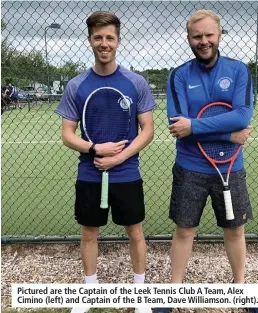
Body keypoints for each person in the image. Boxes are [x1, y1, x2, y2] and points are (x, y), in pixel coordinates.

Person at [153, 10, 258, 313]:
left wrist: (196, 125)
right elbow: (179, 127)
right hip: (191, 167)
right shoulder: (178, 75)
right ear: (189, 38)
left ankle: (240, 291)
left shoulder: (239, 71)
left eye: (208, 35)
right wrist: (229, 135)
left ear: (219, 35)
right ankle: (173, 295)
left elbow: (243, 115)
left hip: (231, 167)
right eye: (196, 36)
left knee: (235, 230)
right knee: (184, 230)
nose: (203, 41)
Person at [55, 11, 156, 313]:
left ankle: (139, 295)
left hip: (127, 174)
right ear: (90, 41)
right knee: (89, 233)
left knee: (135, 232)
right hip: (90, 173)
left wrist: (121, 157)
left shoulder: (135, 82)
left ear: (118, 41)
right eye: (98, 37)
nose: (104, 43)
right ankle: (90, 293)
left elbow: (147, 130)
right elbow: (67, 135)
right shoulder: (77, 85)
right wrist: (95, 149)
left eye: (109, 37)